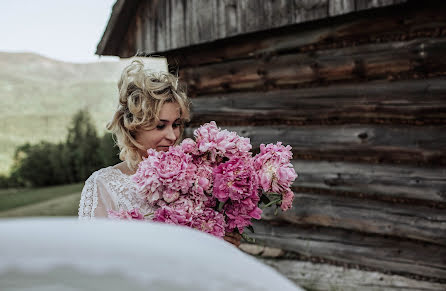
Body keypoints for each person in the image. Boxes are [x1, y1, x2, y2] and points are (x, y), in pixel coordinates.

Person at [78, 57, 241, 246]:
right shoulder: (104, 185)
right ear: (133, 127)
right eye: (160, 126)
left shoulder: (197, 177)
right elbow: (94, 255)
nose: (172, 136)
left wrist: (223, 243)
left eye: (176, 124)